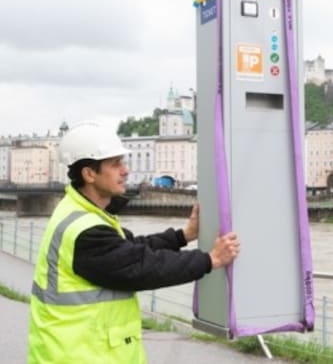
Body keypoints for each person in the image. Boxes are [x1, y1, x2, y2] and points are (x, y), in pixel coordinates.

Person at [28, 122, 240, 363]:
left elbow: (131, 249)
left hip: (85, 350)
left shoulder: (83, 214)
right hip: (82, 354)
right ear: (89, 174)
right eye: (115, 164)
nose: (126, 171)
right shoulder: (87, 232)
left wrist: (184, 235)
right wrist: (210, 260)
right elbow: (142, 267)